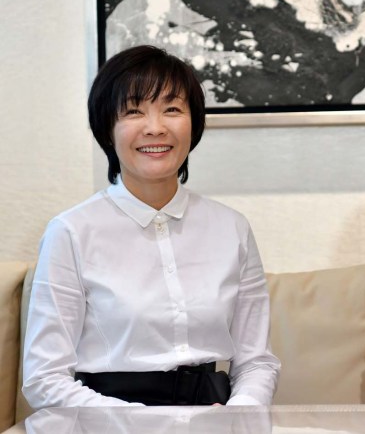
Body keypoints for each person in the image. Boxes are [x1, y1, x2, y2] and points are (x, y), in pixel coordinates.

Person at [22, 45, 280, 408]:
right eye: (133, 111)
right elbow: (44, 378)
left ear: (194, 123)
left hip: (212, 416)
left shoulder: (231, 228)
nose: (155, 128)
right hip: (105, 419)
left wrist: (239, 415)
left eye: (172, 109)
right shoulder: (70, 231)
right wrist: (139, 424)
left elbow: (256, 362)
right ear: (107, 129)